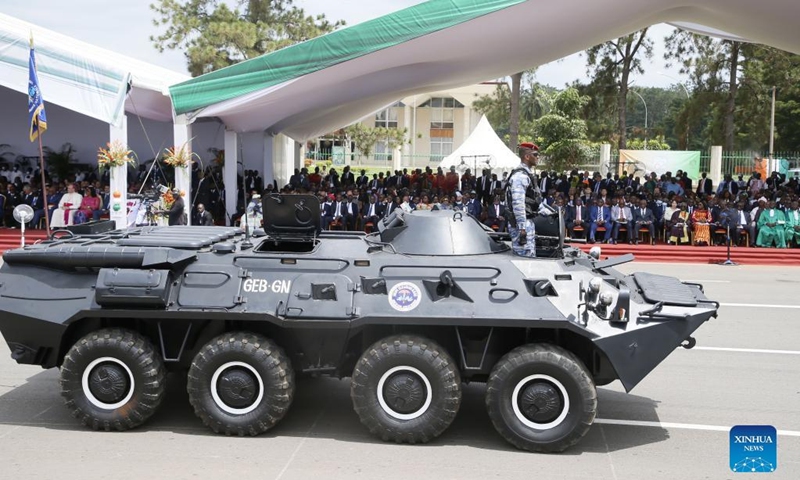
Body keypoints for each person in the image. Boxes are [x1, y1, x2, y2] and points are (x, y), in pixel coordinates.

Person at [506, 142, 542, 257]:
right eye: (535, 155)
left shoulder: (527, 174)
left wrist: (552, 213)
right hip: (521, 225)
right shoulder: (520, 176)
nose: (538, 157)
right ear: (527, 156)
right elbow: (518, 204)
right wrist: (522, 228)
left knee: (529, 255)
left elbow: (532, 201)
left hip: (527, 222)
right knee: (524, 258)